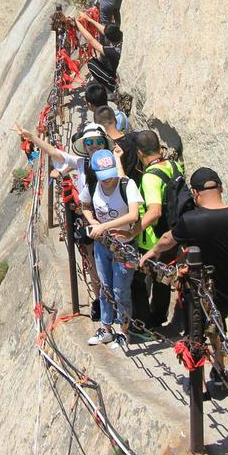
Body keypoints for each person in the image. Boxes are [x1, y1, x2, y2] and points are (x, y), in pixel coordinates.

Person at [139, 167, 228, 376]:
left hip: (198, 290)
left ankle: (199, 386)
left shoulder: (191, 220)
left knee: (196, 335)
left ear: (195, 193)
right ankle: (219, 369)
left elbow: (168, 239)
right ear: (220, 187)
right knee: (217, 325)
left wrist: (152, 252)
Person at [13, 121, 112, 321]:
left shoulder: (114, 163)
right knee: (93, 263)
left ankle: (113, 307)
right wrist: (32, 138)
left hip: (111, 220)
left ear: (104, 143)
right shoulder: (83, 163)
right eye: (89, 142)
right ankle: (103, 304)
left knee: (112, 266)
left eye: (98, 141)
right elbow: (56, 154)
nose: (93, 145)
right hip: (89, 219)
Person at [80, 149, 143, 347]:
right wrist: (92, 220)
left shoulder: (127, 185)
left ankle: (124, 332)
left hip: (124, 247)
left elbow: (133, 215)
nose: (108, 181)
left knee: (120, 290)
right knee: (105, 288)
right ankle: (106, 328)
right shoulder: (92, 186)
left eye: (110, 176)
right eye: (103, 178)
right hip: (102, 245)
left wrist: (104, 226)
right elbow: (84, 205)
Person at [131, 130, 184, 328]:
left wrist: (133, 232)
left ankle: (144, 322)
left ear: (139, 153)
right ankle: (159, 316)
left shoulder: (150, 177)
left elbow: (154, 212)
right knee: (163, 278)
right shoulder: (173, 165)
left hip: (153, 239)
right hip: (173, 234)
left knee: (140, 279)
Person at [92, 105, 142, 183]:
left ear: (97, 127)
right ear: (115, 120)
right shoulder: (135, 138)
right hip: (137, 188)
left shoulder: (104, 149)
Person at [75, 15, 123, 95]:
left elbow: (91, 40)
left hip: (116, 79)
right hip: (117, 66)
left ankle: (113, 89)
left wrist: (77, 24)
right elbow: (105, 31)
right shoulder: (123, 37)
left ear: (108, 38)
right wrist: (89, 19)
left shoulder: (113, 51)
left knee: (92, 63)